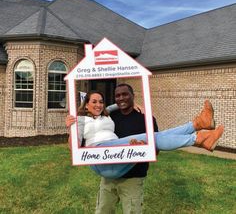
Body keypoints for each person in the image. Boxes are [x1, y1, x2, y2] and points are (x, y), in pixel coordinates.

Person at [66, 85, 224, 212]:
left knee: (156, 137)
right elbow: (74, 147)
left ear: (133, 95)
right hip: (103, 155)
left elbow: (111, 107)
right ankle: (199, 138)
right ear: (86, 104)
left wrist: (139, 152)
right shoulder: (80, 120)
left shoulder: (108, 115)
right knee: (152, 137)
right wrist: (71, 128)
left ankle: (199, 125)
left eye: (101, 101)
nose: (98, 104)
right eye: (93, 102)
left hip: (128, 170)